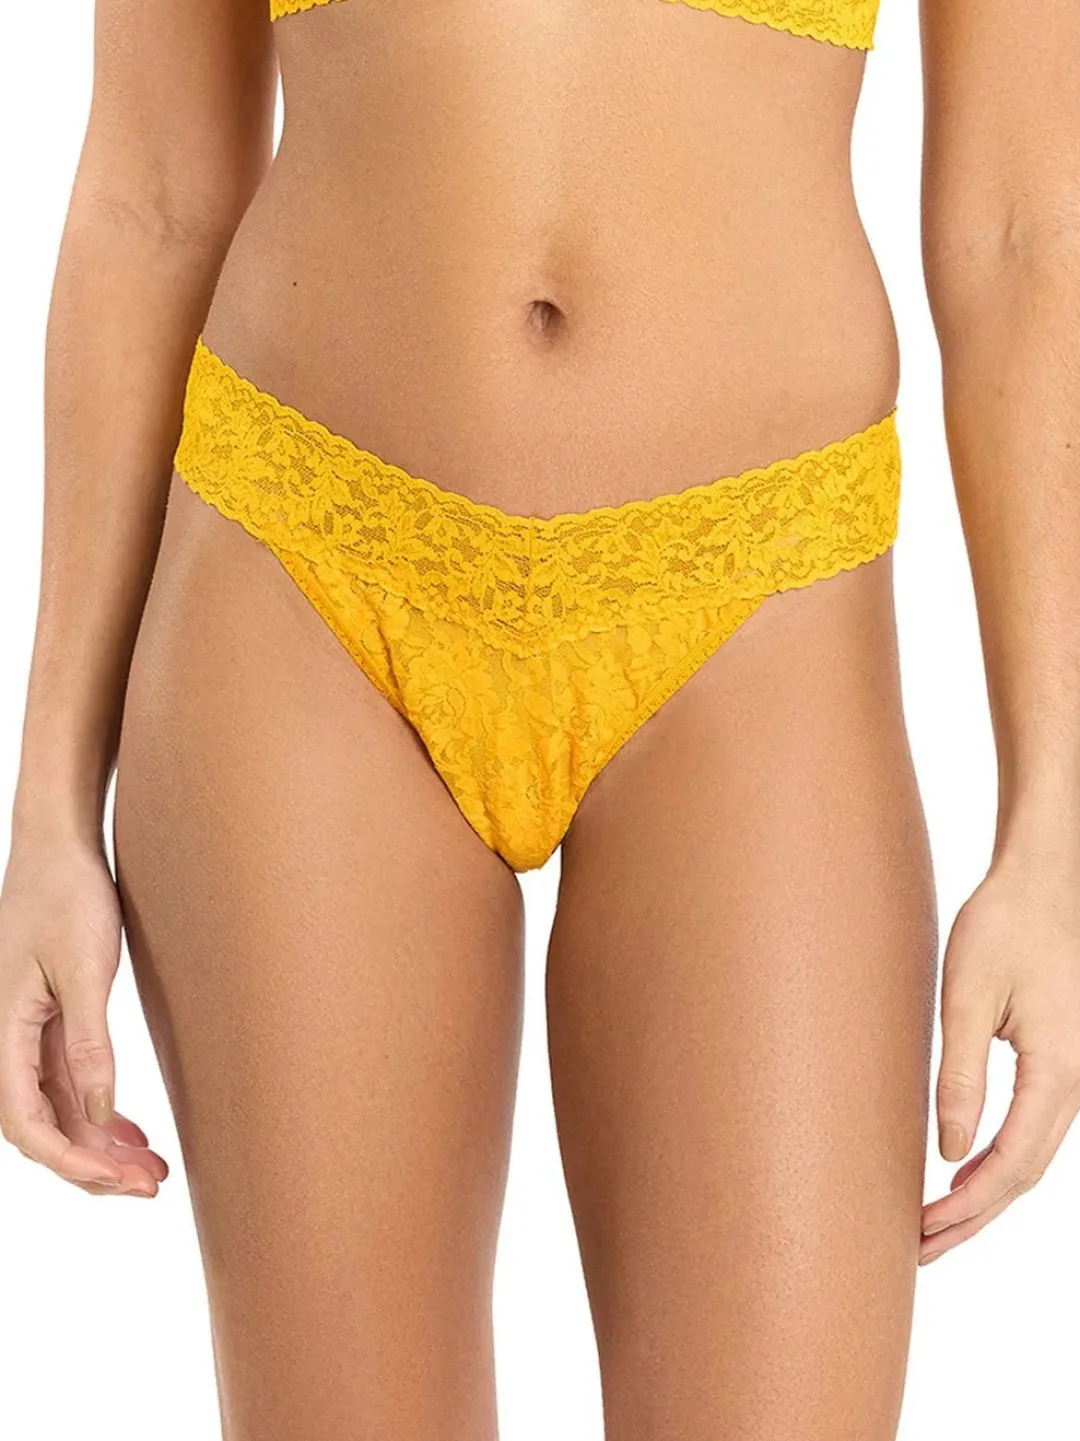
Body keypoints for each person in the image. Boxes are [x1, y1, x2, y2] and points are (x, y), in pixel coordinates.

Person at [1, 0, 1078, 1436]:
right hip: (303, 575)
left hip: (757, 603)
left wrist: (1053, 832)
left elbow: (1022, 232)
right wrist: (49, 809)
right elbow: (152, 195)